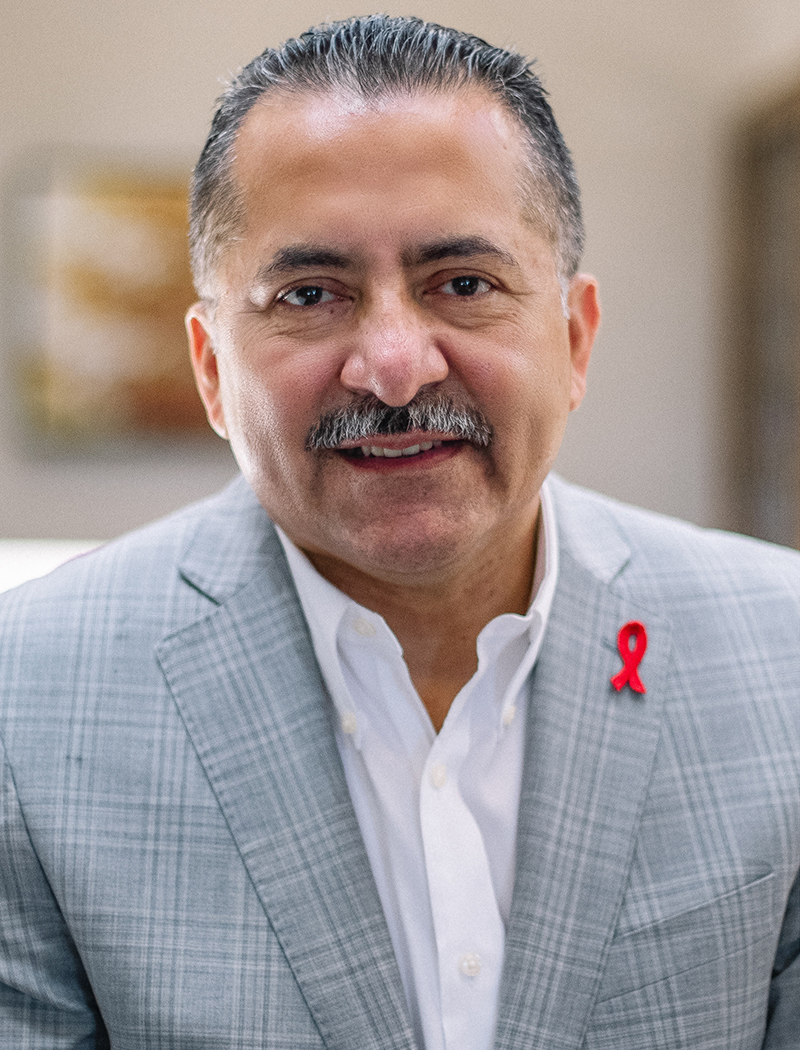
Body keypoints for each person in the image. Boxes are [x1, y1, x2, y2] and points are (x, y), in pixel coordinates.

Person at [0, 14, 798, 1049]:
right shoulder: (26, 707)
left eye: (461, 284)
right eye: (310, 294)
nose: (391, 363)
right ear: (209, 370)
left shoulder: (781, 661)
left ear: (572, 337)